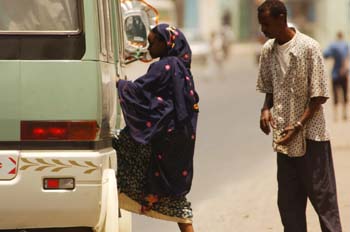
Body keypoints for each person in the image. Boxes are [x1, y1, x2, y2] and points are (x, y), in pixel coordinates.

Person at [256, 1, 342, 231]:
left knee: (324, 202)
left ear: (281, 18)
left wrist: (298, 126)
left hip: (311, 139)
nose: (263, 30)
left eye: (266, 24)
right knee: (289, 204)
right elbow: (269, 87)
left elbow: (320, 96)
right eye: (261, 24)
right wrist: (266, 109)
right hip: (285, 142)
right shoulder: (268, 51)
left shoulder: (309, 48)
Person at [114, 23, 199, 232]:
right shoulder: (182, 68)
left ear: (165, 43)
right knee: (175, 194)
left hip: (164, 138)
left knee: (120, 152)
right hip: (181, 139)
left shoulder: (165, 66)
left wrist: (119, 84)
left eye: (152, 43)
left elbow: (141, 92)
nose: (148, 47)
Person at [324, 31, 349, 121]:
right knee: (344, 93)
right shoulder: (346, 45)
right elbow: (346, 57)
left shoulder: (333, 45)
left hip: (335, 73)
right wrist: (345, 68)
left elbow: (326, 54)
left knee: (335, 94)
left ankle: (335, 115)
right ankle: (344, 113)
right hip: (344, 73)